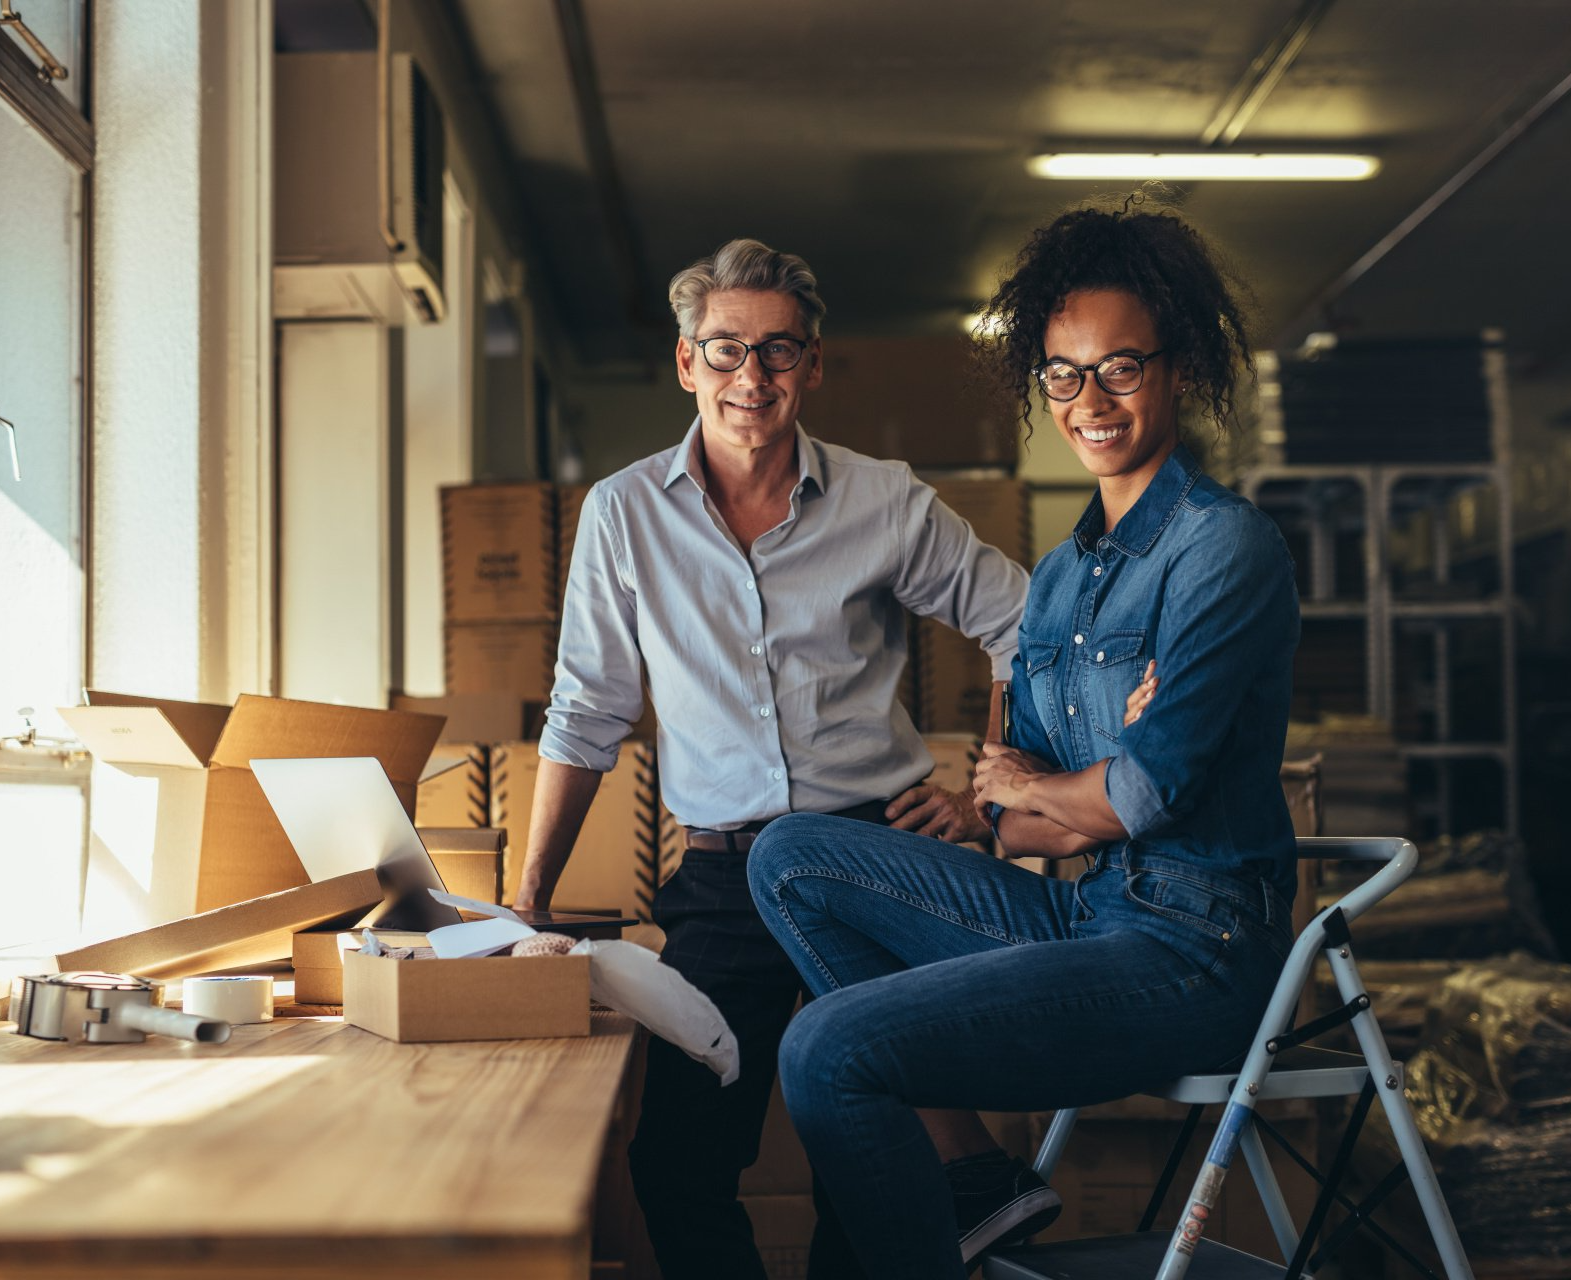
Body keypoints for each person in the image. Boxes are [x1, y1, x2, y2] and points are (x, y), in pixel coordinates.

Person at [746, 197, 1302, 1278]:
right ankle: (975, 1183)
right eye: (1060, 372)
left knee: (823, 1046)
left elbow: (1143, 799)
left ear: (1177, 365)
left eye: (1119, 368)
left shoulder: (1221, 550)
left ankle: (944, 1226)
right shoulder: (1056, 577)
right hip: (1085, 911)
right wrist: (1059, 790)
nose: (1087, 400)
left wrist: (1059, 787)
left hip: (1193, 949)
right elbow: (1014, 827)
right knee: (789, 855)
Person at [514, 237, 1030, 1279]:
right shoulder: (622, 514)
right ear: (685, 361)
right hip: (722, 872)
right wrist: (526, 897)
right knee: (675, 1158)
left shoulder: (884, 501)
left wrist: (989, 790)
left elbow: (1023, 621)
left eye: (779, 351)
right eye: (726, 349)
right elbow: (585, 711)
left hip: (871, 858)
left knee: (866, 1160)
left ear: (814, 364)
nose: (751, 377)